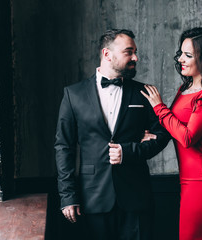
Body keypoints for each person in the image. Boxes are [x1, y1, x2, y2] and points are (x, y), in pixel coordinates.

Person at [55, 29, 170, 240]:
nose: (135, 58)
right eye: (129, 52)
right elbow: (64, 147)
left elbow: (163, 134)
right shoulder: (73, 94)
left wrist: (130, 151)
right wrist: (67, 195)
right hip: (92, 196)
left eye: (135, 52)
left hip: (136, 196)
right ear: (107, 54)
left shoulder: (145, 92)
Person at [141, 27, 202, 240]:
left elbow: (188, 137)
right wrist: (157, 136)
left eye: (188, 55)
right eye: (181, 53)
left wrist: (159, 107)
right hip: (190, 178)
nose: (181, 60)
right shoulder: (184, 89)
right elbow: (176, 126)